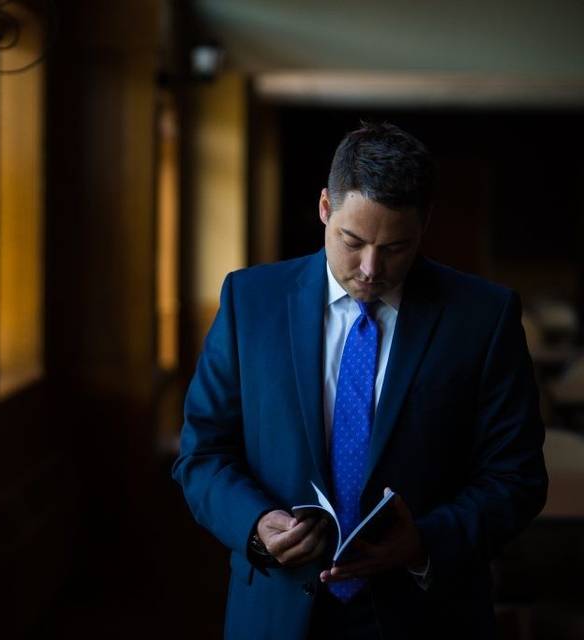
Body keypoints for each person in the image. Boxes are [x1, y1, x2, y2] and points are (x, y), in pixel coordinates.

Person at [171, 122, 547, 639]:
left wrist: (424, 541)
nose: (371, 268)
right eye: (353, 240)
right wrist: (255, 526)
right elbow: (202, 453)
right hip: (278, 610)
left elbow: (517, 477)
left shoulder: (483, 317)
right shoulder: (249, 302)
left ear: (426, 224)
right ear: (325, 207)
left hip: (427, 612)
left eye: (397, 246)